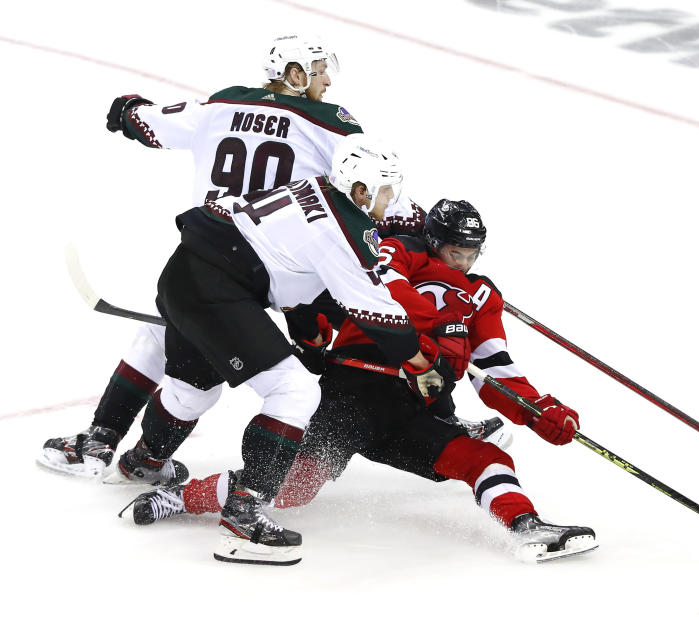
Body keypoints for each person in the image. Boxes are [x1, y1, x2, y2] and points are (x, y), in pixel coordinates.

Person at [126, 199, 598, 563]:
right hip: (352, 394)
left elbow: (494, 365)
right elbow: (378, 291)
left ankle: (527, 526)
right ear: (434, 242)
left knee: (485, 459)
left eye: (472, 253)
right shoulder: (401, 253)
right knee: (292, 489)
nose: (464, 263)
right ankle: (180, 497)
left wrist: (538, 411)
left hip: (414, 413)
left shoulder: (482, 295)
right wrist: (421, 330)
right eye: (456, 251)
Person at [38, 34, 422, 481]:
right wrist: (424, 226)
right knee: (366, 328)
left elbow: (138, 122)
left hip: (209, 245)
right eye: (319, 71)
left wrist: (129, 108)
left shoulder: (221, 106)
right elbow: (375, 189)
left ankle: (101, 441)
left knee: (161, 338)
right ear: (296, 74)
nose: (328, 80)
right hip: (279, 260)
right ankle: (154, 462)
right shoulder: (329, 124)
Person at [121, 134, 455, 565]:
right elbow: (377, 312)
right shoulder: (343, 232)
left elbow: (294, 280)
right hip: (218, 292)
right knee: (296, 392)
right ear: (360, 191)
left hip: (185, 273)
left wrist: (309, 337)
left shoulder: (316, 189)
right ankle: (243, 518)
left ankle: (144, 461)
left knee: (193, 389)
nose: (391, 201)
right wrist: (420, 363)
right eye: (386, 191)